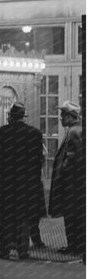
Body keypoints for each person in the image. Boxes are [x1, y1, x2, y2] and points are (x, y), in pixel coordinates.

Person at [0, 102, 44, 260]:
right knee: (24, 216)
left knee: (6, 216)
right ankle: (23, 251)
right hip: (26, 183)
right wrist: (34, 180)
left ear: (10, 116)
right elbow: (38, 161)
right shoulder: (35, 134)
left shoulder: (1, 133)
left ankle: (4, 250)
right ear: (23, 116)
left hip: (7, 182)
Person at [49, 100, 84, 255]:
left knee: (71, 216)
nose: (61, 118)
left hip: (71, 184)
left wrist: (62, 175)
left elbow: (72, 158)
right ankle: (76, 245)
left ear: (70, 116)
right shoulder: (76, 130)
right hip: (76, 184)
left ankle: (74, 246)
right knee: (75, 215)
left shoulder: (74, 132)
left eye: (63, 114)